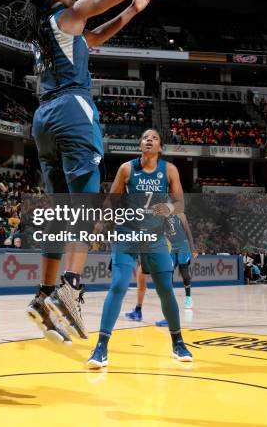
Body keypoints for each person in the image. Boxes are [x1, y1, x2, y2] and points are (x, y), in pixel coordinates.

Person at [0, 0, 183, 345]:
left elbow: (97, 37)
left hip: (43, 121)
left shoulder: (50, 32)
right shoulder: (69, 14)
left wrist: (133, 13)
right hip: (72, 113)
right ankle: (72, 288)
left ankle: (43, 294)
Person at [87, 128, 193, 368]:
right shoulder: (126, 168)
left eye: (154, 138)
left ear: (160, 148)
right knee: (119, 285)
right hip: (126, 234)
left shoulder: (169, 170)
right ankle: (101, 347)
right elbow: (112, 199)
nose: (149, 140)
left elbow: (180, 204)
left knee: (166, 289)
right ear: (140, 144)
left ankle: (178, 343)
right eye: (145, 137)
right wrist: (101, 223)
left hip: (155, 237)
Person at [125, 212, 197, 323]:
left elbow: (185, 230)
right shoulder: (156, 216)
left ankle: (179, 307)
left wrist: (192, 247)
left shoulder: (177, 214)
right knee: (145, 280)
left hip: (168, 248)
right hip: (160, 248)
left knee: (171, 278)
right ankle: (138, 311)